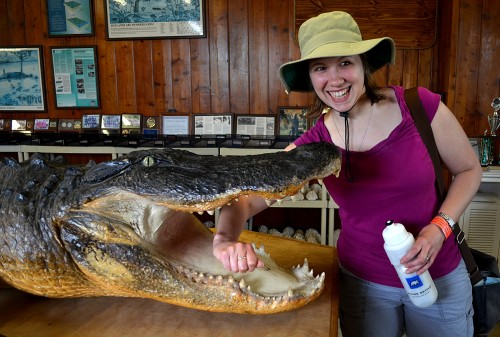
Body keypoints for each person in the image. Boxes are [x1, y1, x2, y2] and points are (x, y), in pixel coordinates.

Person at [212, 11, 482, 337]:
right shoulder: (314, 144)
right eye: (320, 67)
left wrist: (438, 230)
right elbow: (248, 199)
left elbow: (468, 170)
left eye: (345, 63)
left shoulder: (420, 106)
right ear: (310, 78)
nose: (336, 79)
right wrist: (224, 239)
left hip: (440, 274)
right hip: (364, 285)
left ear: (363, 63)